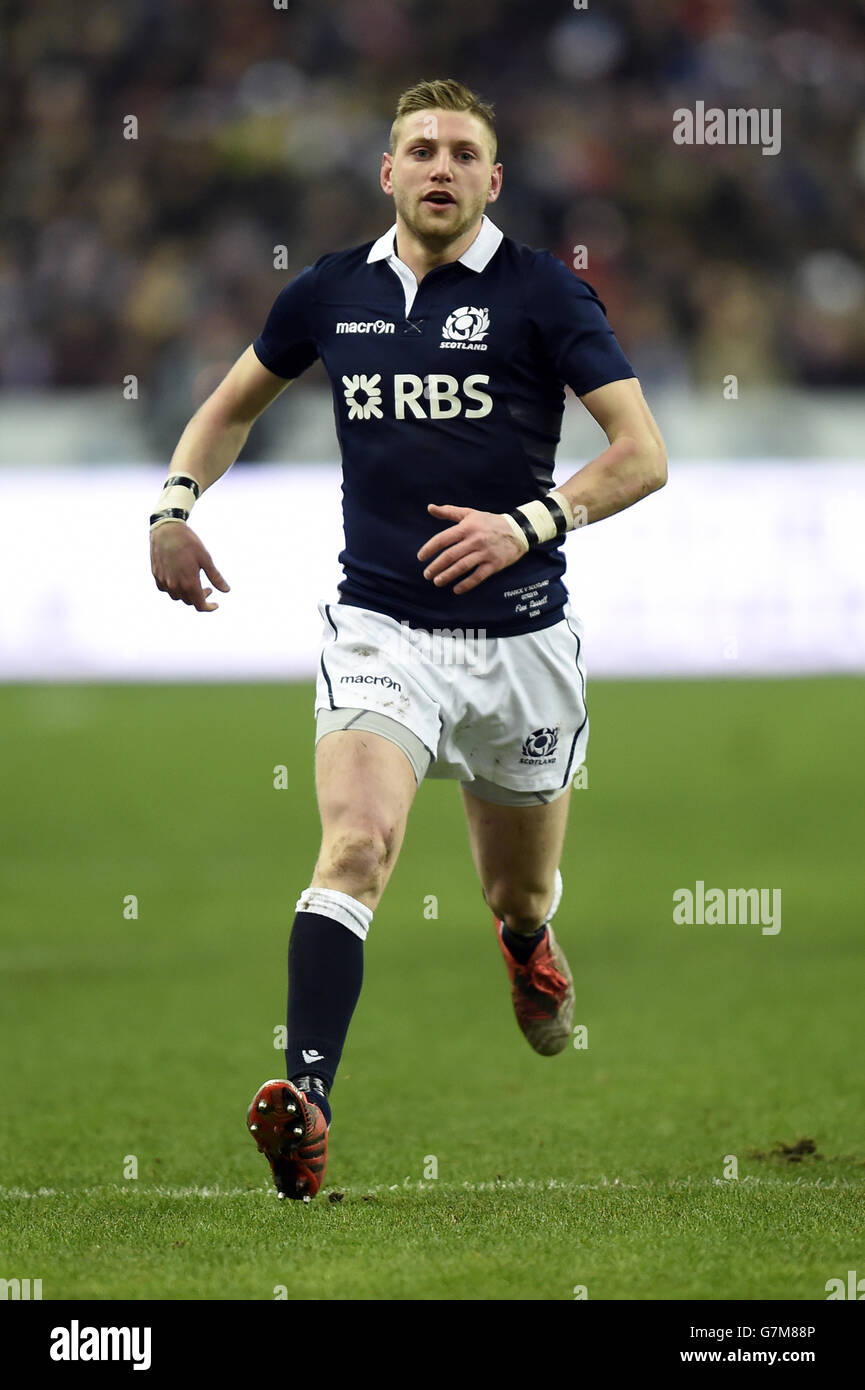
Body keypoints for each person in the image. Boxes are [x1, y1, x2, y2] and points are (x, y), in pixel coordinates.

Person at [150, 78, 667, 1201]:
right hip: (380, 626)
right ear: (387, 173)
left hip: (520, 644)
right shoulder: (330, 291)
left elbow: (641, 451)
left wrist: (527, 522)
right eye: (420, 149)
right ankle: (308, 1100)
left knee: (516, 893)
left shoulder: (543, 295)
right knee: (356, 850)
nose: (440, 166)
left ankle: (526, 944)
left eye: (462, 152)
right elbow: (233, 403)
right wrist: (175, 506)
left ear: (492, 179)